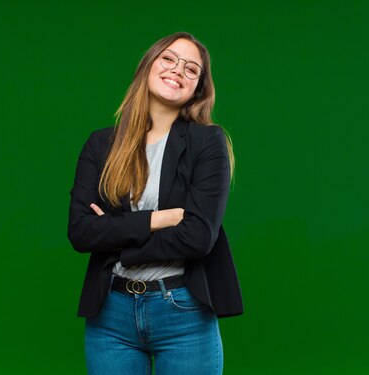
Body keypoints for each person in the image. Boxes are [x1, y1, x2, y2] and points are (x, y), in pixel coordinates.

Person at [67, 31, 243, 375]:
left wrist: (118, 244)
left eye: (191, 69)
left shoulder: (207, 143)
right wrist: (158, 219)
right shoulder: (101, 144)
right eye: (169, 59)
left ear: (198, 88)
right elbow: (82, 232)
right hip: (110, 316)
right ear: (148, 65)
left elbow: (197, 236)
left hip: (183, 312)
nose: (178, 70)